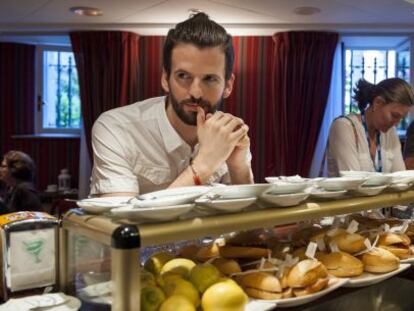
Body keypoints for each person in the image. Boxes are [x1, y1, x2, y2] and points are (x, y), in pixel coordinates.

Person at [90, 12, 253, 197]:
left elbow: (252, 225)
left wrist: (239, 167)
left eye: (209, 79)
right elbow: (122, 223)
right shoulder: (117, 127)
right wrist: (202, 166)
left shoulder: (228, 134)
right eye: (183, 76)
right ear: (166, 79)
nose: (195, 92)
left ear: (228, 85)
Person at [327, 78, 414, 176]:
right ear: (377, 103)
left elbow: (400, 178)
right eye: (394, 115)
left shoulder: (390, 132)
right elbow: (352, 181)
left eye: (401, 118)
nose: (397, 124)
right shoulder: (344, 127)